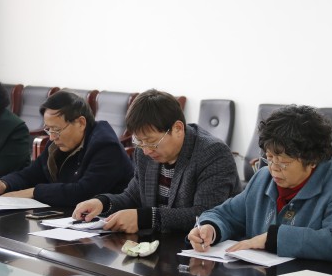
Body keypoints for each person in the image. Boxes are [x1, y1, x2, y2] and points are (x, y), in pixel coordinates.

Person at [187, 105, 332, 262]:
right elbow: (226, 215)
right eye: (269, 158)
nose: (273, 168)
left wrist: (272, 239)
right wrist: (211, 228)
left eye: (283, 162)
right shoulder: (263, 178)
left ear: (312, 160)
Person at [73, 89, 242, 233]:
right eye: (139, 141)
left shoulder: (212, 153)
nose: (146, 150)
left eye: (152, 142)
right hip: (158, 243)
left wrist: (145, 218)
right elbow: (133, 196)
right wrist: (102, 203)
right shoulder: (144, 152)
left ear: (177, 129)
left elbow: (205, 214)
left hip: (202, 250)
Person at [0, 91, 133, 208]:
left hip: (109, 226)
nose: (51, 137)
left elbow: (83, 193)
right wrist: (4, 184)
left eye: (56, 130)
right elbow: (32, 173)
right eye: (48, 129)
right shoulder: (58, 144)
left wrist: (33, 192)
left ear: (81, 123)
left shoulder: (106, 146)